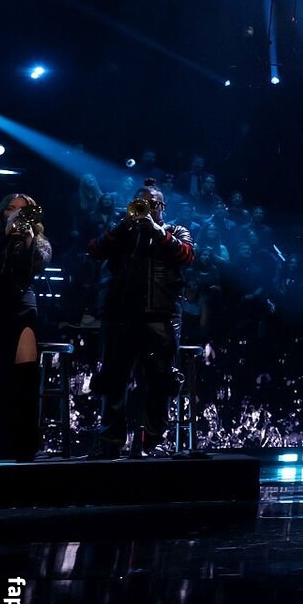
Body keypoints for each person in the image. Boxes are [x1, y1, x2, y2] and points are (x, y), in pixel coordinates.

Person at [88, 182, 196, 457]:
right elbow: (95, 250)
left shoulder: (175, 231)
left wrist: (157, 231)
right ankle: (110, 442)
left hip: (160, 315)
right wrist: (124, 226)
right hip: (119, 314)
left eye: (152, 203)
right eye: (141, 203)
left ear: (162, 207)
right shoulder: (121, 230)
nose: (146, 208)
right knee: (113, 379)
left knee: (160, 381)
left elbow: (186, 255)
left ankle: (152, 442)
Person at [0, 195, 52, 462]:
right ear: (2, 213)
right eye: (11, 209)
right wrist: (4, 236)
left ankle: (26, 445)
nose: (16, 214)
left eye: (23, 211)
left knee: (24, 377)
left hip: (22, 305)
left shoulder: (39, 242)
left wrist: (27, 239)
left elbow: (35, 266)